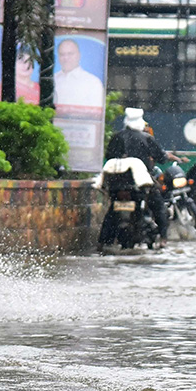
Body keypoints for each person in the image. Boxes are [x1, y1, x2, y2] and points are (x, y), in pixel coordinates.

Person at [105, 109, 176, 242]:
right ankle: (163, 239)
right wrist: (166, 157)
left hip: (117, 184)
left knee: (111, 212)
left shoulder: (116, 137)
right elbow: (161, 157)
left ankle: (102, 243)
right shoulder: (147, 138)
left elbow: (109, 156)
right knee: (159, 206)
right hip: (140, 185)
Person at [52, 38, 105, 110]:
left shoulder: (93, 82)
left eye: (70, 54)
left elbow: (96, 112)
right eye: (62, 54)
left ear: (78, 55)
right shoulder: (52, 79)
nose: (66, 58)